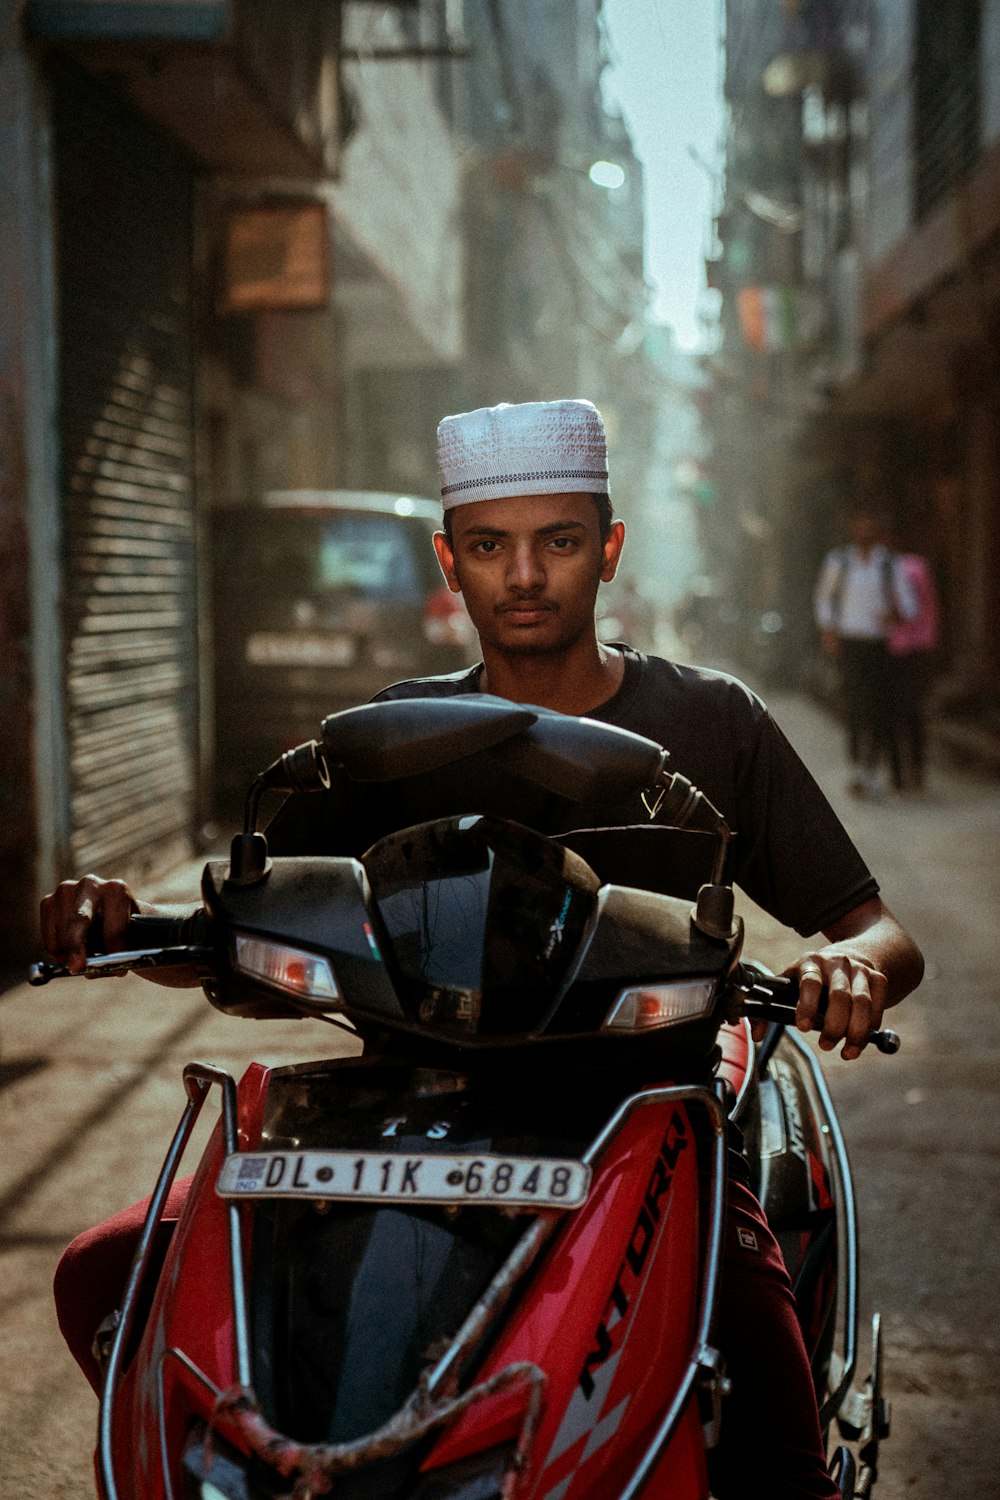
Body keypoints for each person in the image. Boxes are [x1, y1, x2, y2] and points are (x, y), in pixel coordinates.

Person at [43, 400, 923, 1498]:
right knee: (103, 1277)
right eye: (489, 545)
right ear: (448, 562)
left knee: (775, 1430)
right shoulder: (384, 738)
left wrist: (851, 968)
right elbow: (243, 935)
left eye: (557, 542)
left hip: (642, 1138)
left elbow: (878, 929)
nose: (523, 575)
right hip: (383, 1141)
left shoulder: (714, 723)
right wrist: (130, 930)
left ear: (606, 549)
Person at [813, 506, 918, 799]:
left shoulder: (888, 564)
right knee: (854, 707)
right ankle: (857, 768)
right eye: (859, 524)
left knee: (880, 708)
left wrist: (896, 615)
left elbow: (910, 604)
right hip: (851, 644)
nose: (864, 530)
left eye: (869, 524)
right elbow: (823, 598)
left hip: (878, 645)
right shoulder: (840, 562)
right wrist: (828, 630)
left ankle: (874, 767)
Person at [884, 534, 940, 792]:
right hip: (886, 649)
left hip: (913, 650)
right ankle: (896, 773)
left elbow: (928, 606)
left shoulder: (915, 567)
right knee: (891, 713)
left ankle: (916, 768)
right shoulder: (878, 567)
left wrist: (926, 642)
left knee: (913, 710)